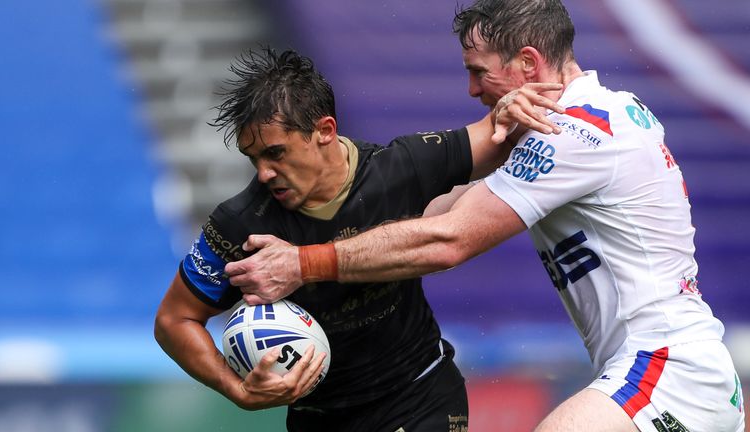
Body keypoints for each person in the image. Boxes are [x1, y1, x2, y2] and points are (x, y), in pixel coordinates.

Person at [224, 2, 747, 431]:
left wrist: (304, 262)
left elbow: (447, 241)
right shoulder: (589, 117)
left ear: (527, 63)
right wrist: (327, 222)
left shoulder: (573, 134)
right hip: (673, 367)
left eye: (479, 73)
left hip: (663, 367)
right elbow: (436, 213)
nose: (473, 91)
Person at [154, 47, 562, 431]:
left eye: (276, 153)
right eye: (254, 159)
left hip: (420, 396)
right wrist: (237, 389)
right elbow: (174, 320)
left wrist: (510, 108)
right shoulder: (239, 224)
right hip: (319, 419)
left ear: (325, 131)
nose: (263, 173)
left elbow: (498, 134)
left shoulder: (401, 168)